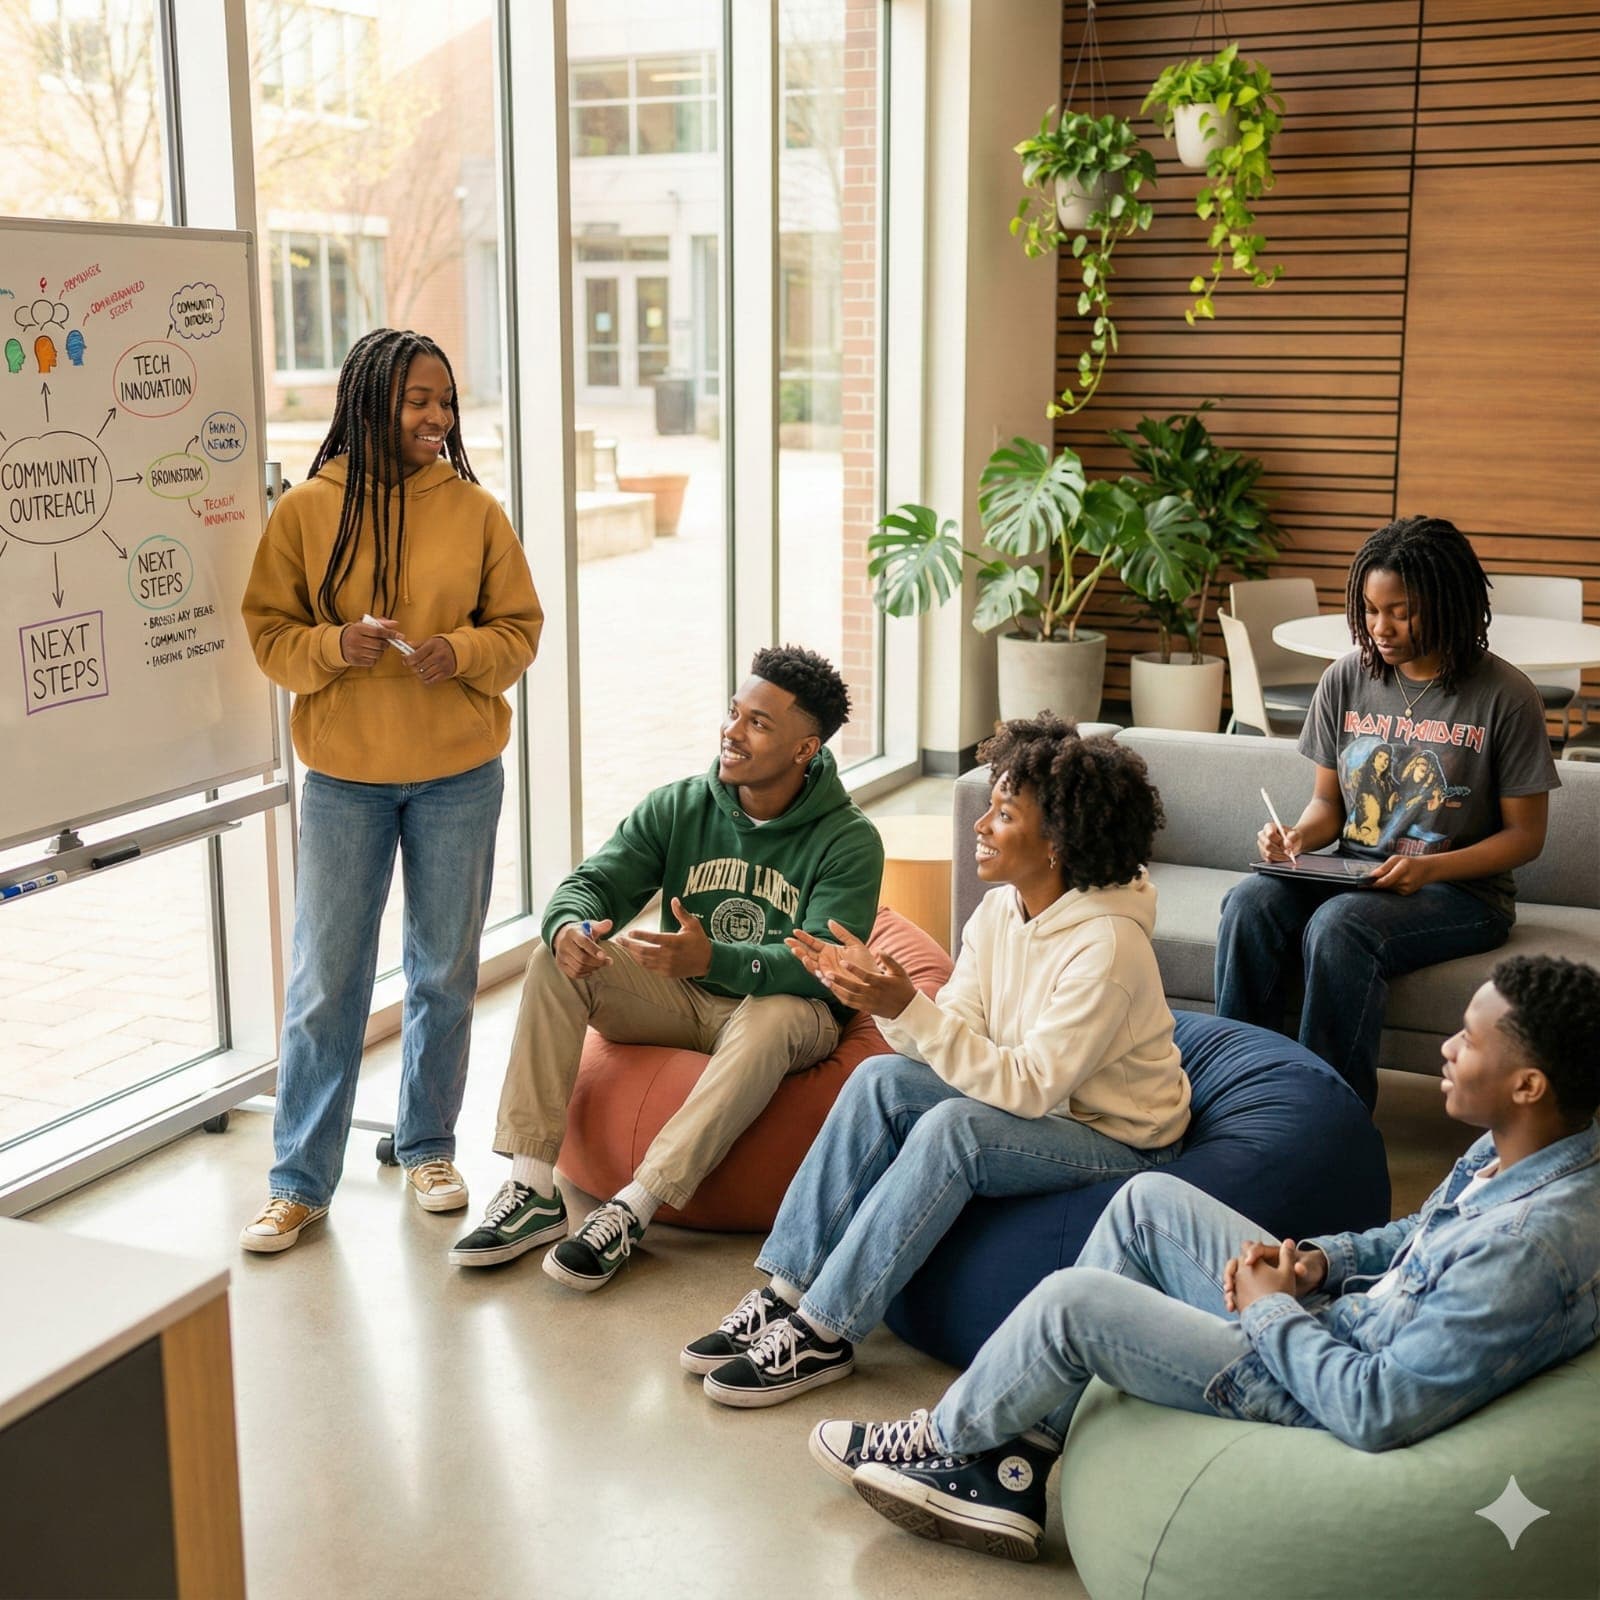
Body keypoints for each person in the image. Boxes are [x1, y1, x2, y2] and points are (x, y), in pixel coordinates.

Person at [808, 955, 1600, 1564]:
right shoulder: (1516, 1154)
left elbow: (1376, 1408)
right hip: (1331, 1319)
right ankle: (1009, 1467)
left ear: (1528, 1083)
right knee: (1146, 1201)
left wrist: (1269, 1308)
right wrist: (1319, 1262)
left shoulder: (1527, 1247)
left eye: (1470, 1039)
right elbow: (1413, 1240)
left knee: (1072, 1302)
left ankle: (946, 1441)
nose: (1449, 1048)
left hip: (1315, 1384)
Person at [684, 716, 1191, 1407]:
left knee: (957, 1128)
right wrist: (889, 1000)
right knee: (879, 1079)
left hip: (1119, 1141)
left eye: (1004, 814)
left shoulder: (1106, 949)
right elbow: (956, 1039)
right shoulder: (997, 913)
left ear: (1058, 844)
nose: (980, 824)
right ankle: (786, 1292)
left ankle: (826, 1332)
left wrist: (911, 1007)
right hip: (1044, 1107)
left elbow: (1032, 1089)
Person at [238, 327, 542, 1252]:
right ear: (368, 402)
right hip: (344, 782)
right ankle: (298, 1181)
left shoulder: (476, 510)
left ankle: (427, 1146)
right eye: (417, 399)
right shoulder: (304, 512)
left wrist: (465, 653)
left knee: (444, 973)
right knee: (326, 984)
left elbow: (520, 629)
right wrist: (335, 646)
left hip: (459, 777)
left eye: (444, 401)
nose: (435, 416)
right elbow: (268, 633)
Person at [450, 645, 884, 1290]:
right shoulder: (680, 805)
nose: (732, 733)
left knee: (776, 1015)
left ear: (805, 749)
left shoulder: (849, 840)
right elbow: (595, 880)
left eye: (759, 724)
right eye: (735, 713)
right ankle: (533, 1188)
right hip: (683, 996)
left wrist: (717, 956)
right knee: (553, 960)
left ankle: (635, 1206)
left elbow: (820, 966)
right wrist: (570, 924)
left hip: (784, 1015)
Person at [1215, 516, 1558, 1109]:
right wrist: (1297, 835)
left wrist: (1429, 869)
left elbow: (1525, 837)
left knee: (1340, 926)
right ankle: (1236, 1091)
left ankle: (1328, 1120)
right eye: (1371, 611)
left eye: (1401, 611)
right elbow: (1329, 803)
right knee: (1249, 902)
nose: (1381, 628)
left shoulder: (1504, 694)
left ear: (1448, 604)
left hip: (1462, 893)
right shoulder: (1346, 679)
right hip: (1356, 871)